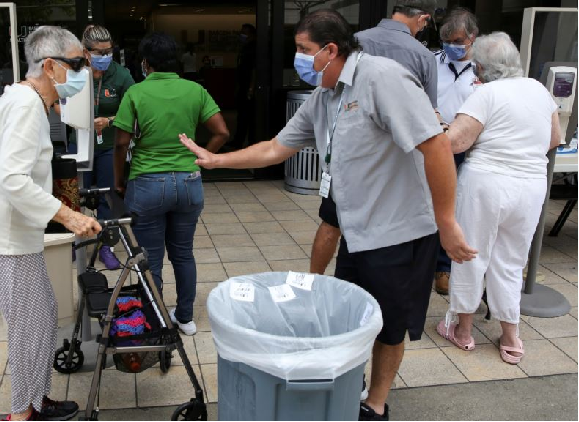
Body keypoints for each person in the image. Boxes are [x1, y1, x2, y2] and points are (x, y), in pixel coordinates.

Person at [180, 9, 476, 420]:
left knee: (388, 327)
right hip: (357, 231)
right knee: (349, 318)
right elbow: (274, 147)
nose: (299, 58)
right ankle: (344, 386)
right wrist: (216, 161)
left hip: (399, 231)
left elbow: (436, 146)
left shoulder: (382, 79)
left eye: (304, 50)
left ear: (330, 49)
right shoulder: (325, 94)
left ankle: (375, 402)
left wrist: (447, 224)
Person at [0, 26, 102, 421]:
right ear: (50, 66)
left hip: (12, 233)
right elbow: (13, 179)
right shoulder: (26, 105)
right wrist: (71, 216)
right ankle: (22, 413)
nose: (85, 71)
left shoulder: (28, 101)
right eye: (78, 63)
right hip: (5, 237)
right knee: (29, 327)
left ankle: (37, 401)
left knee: (42, 315)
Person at [437, 32, 562, 365]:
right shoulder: (538, 89)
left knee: (470, 254)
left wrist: (442, 126)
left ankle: (463, 331)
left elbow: (455, 143)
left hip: (487, 182)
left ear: (480, 66)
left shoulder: (485, 94)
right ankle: (510, 337)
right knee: (510, 261)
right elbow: (555, 137)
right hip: (531, 185)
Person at [310, 0, 440, 277]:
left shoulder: (357, 41)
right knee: (382, 250)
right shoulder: (423, 55)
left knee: (332, 224)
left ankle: (315, 281)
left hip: (346, 160)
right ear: (422, 19)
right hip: (392, 171)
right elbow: (430, 120)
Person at [113, 32, 229, 336]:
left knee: (150, 257)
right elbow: (221, 132)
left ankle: (157, 318)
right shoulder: (194, 90)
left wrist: (119, 181)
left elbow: (121, 143)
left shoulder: (136, 93)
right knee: (183, 252)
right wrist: (200, 159)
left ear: (146, 63)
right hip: (189, 183)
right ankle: (186, 317)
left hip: (147, 183)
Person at [75, 24, 135, 270]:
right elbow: (57, 104)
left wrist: (109, 121)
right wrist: (78, 116)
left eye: (108, 51)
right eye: (99, 52)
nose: (105, 56)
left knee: (107, 196)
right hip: (79, 143)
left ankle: (106, 246)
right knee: (76, 195)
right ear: (86, 52)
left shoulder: (121, 75)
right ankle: (74, 241)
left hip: (109, 144)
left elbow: (133, 108)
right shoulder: (73, 72)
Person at [432, 7, 479, 295]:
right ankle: (423, 262)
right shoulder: (431, 61)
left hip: (465, 147)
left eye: (458, 41)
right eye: (446, 40)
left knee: (454, 207)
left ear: (472, 38)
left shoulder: (485, 68)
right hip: (432, 141)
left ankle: (444, 268)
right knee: (427, 205)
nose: (451, 46)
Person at [228, 23, 257, 149]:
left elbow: (254, 69)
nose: (242, 35)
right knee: (241, 116)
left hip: (249, 88)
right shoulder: (244, 48)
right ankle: (238, 141)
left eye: (244, 33)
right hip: (243, 86)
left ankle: (251, 142)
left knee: (248, 116)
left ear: (251, 34)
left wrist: (251, 88)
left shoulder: (254, 48)